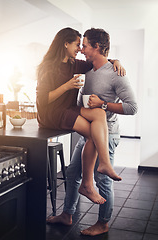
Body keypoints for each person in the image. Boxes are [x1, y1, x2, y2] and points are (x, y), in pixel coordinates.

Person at [46, 28, 138, 236]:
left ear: (96, 47)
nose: (81, 50)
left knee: (102, 179)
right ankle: (67, 214)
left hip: (107, 134)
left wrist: (103, 104)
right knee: (73, 173)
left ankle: (103, 222)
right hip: (88, 132)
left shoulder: (117, 74)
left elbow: (132, 108)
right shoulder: (86, 70)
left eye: (85, 45)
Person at [36, 27, 123, 205]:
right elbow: (43, 100)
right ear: (65, 43)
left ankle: (104, 163)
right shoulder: (48, 67)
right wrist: (67, 86)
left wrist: (116, 60)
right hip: (51, 114)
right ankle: (87, 184)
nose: (80, 49)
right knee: (91, 134)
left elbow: (96, 62)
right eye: (77, 45)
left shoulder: (73, 63)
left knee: (99, 112)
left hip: (68, 109)